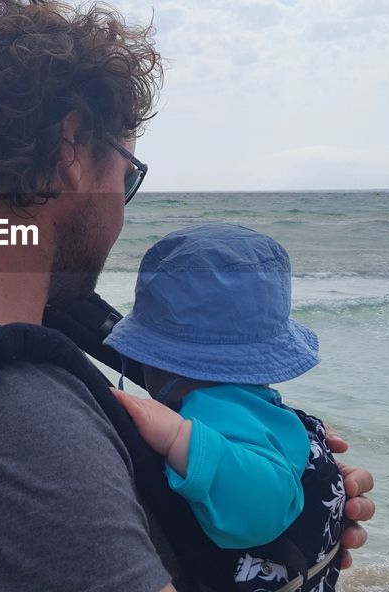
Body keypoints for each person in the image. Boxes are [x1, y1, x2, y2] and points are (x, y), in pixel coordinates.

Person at [0, 0, 375, 592]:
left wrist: (290, 501)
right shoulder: (17, 417)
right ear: (71, 148)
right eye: (128, 172)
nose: (123, 205)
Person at [108, 223, 345, 589]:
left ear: (152, 359)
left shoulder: (207, 412)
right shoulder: (268, 410)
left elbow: (265, 507)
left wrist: (176, 437)